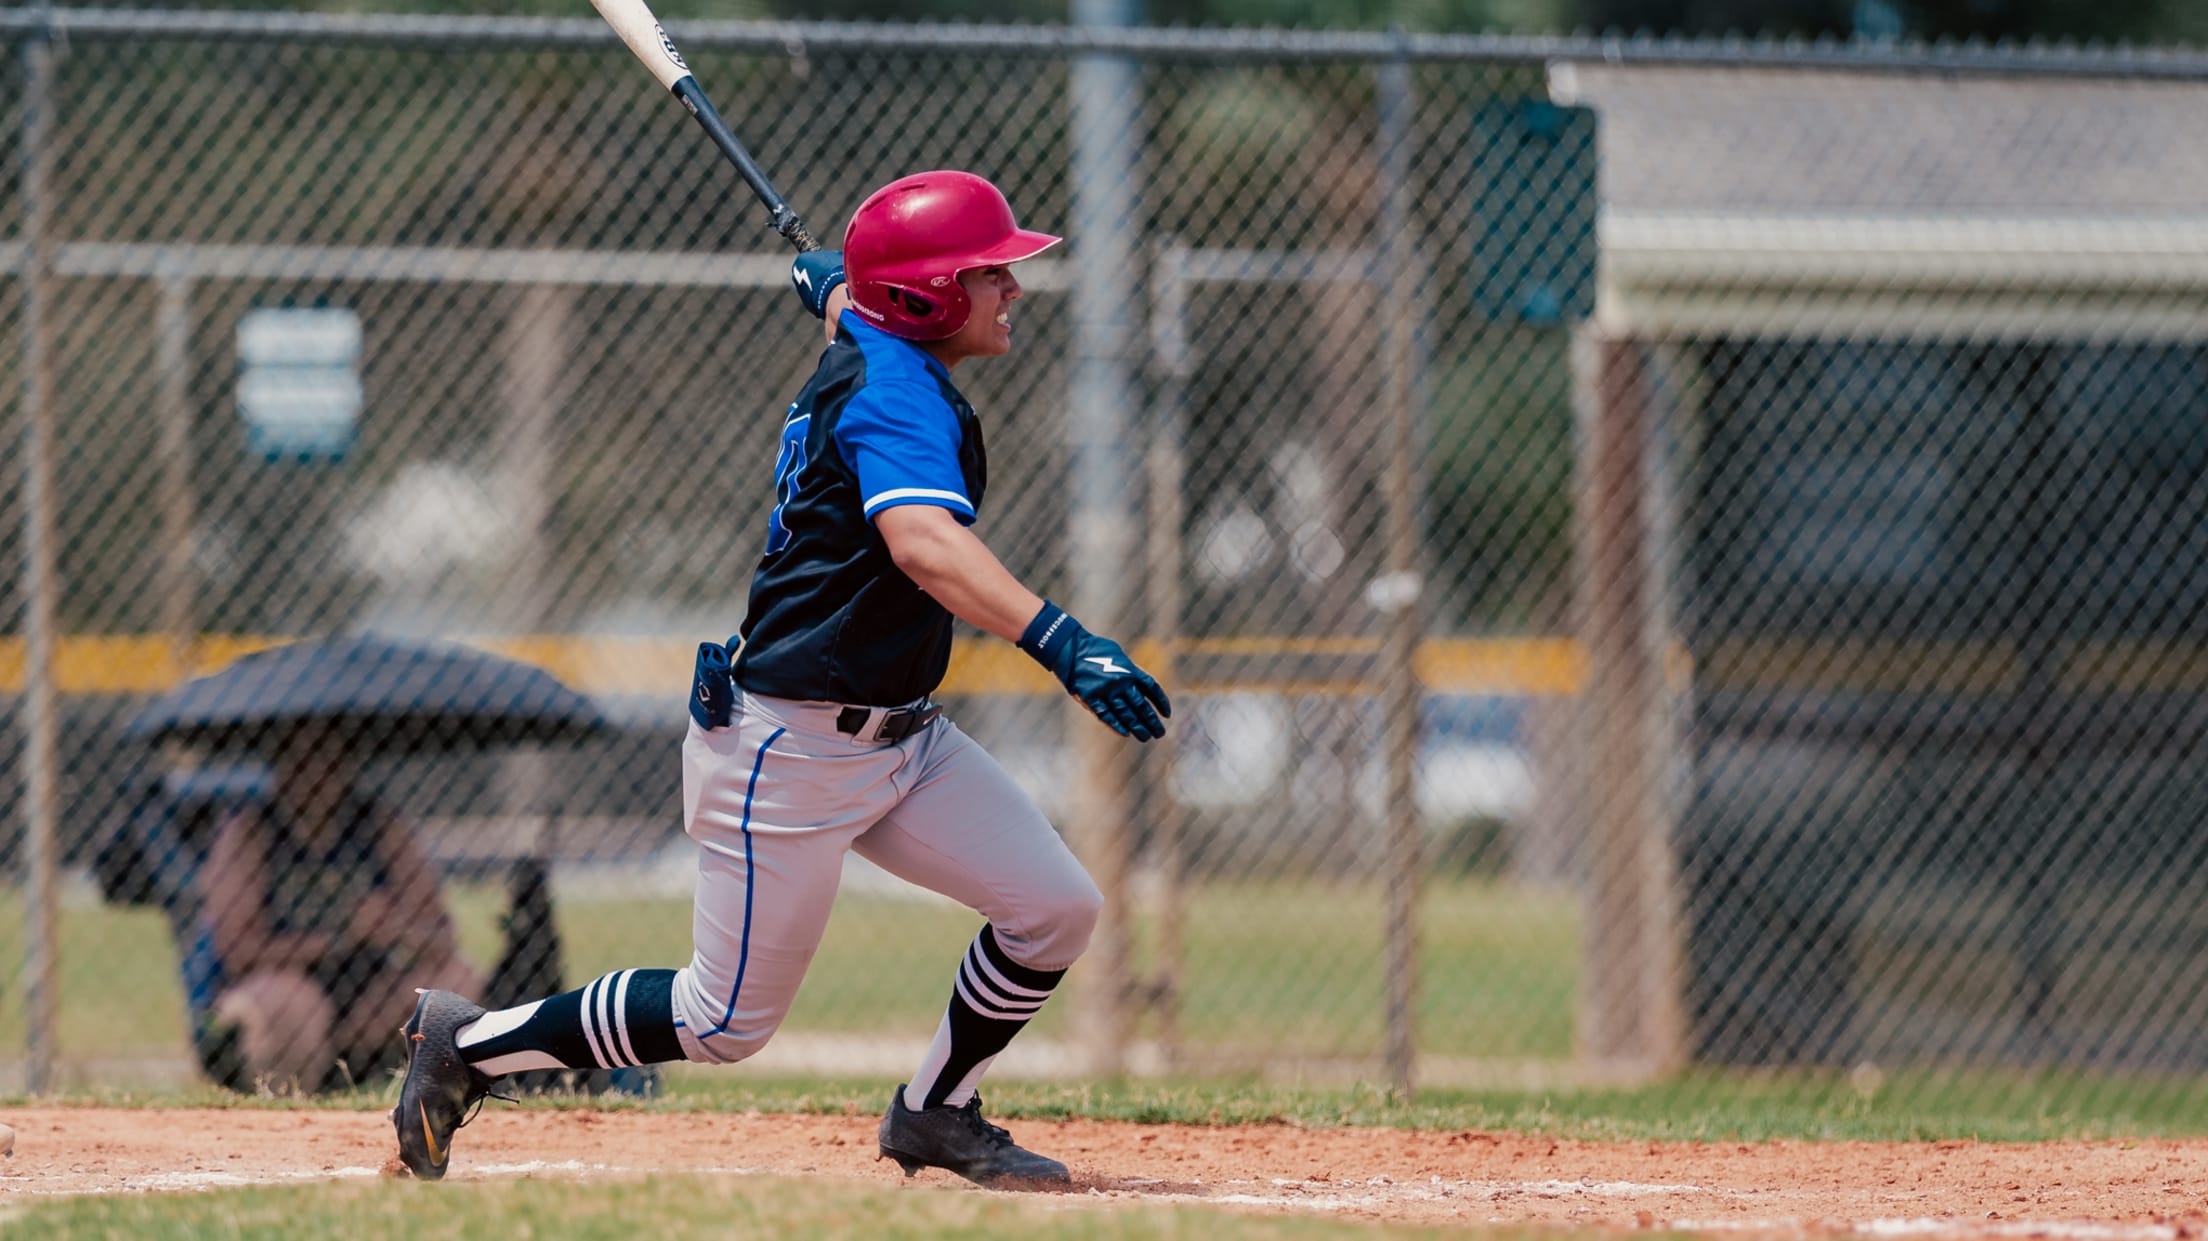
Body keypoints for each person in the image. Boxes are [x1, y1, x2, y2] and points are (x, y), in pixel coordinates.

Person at [390, 170, 1170, 1186]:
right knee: (722, 1022)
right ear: (927, 299)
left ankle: (935, 1110)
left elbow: (866, 316)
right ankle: (467, 1042)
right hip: (787, 749)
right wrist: (1061, 639)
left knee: (1056, 906)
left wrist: (842, 292)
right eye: (989, 273)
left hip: (903, 740)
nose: (1013, 288)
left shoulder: (877, 350)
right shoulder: (891, 386)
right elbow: (924, 542)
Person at [204, 721, 480, 1092]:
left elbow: (441, 938)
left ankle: (427, 1112)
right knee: (294, 1005)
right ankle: (283, 1115)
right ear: (280, 766)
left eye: (329, 760)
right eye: (301, 761)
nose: (316, 774)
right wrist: (338, 940)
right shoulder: (251, 832)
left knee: (456, 982)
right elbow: (238, 951)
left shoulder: (380, 827)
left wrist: (395, 928)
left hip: (368, 993)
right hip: (278, 988)